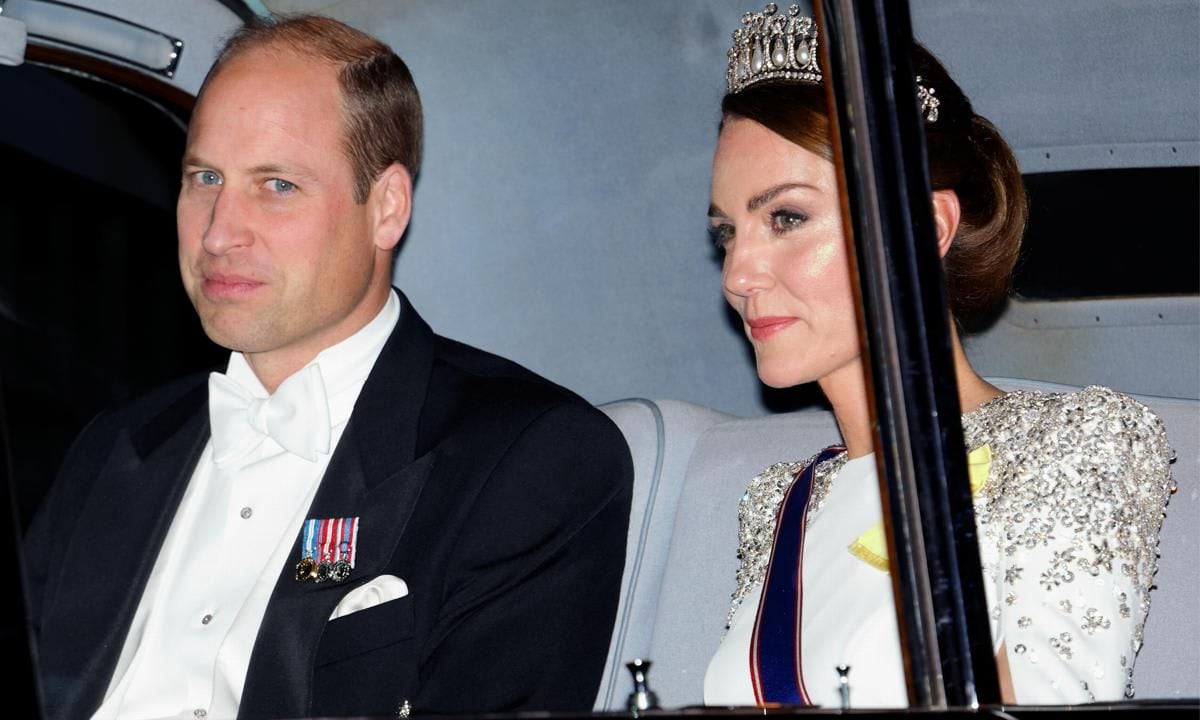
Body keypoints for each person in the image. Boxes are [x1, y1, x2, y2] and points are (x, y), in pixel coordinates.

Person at [24, 14, 633, 720]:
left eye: (276, 185)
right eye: (205, 177)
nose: (219, 232)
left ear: (386, 208)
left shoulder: (529, 460)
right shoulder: (113, 449)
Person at [702, 4, 1175, 708]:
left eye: (787, 218)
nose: (738, 274)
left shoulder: (1074, 445)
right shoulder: (780, 502)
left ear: (924, 227)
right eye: (727, 234)